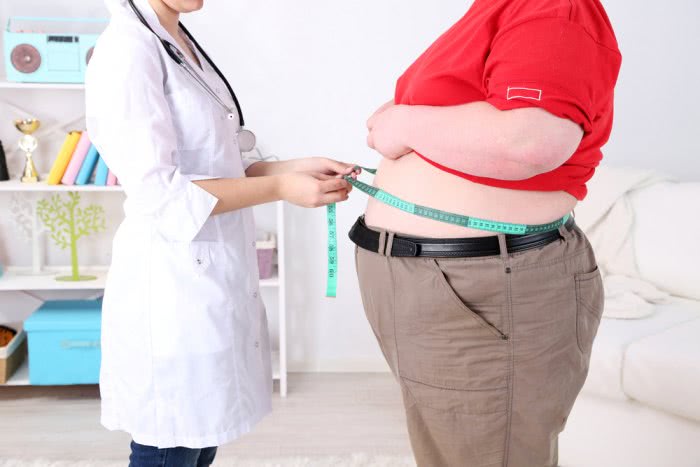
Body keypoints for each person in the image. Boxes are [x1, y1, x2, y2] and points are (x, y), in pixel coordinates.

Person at [352, 0, 621, 465]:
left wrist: (406, 122)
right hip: (436, 280)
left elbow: (529, 141)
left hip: (482, 284)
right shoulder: (494, 10)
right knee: (451, 449)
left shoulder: (554, 7)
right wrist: (404, 121)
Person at [86, 1, 354, 466]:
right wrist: (280, 188)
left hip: (208, 277)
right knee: (171, 443)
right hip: (170, 286)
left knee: (200, 437)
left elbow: (219, 163)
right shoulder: (128, 49)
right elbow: (160, 192)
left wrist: (294, 168)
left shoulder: (178, 42)